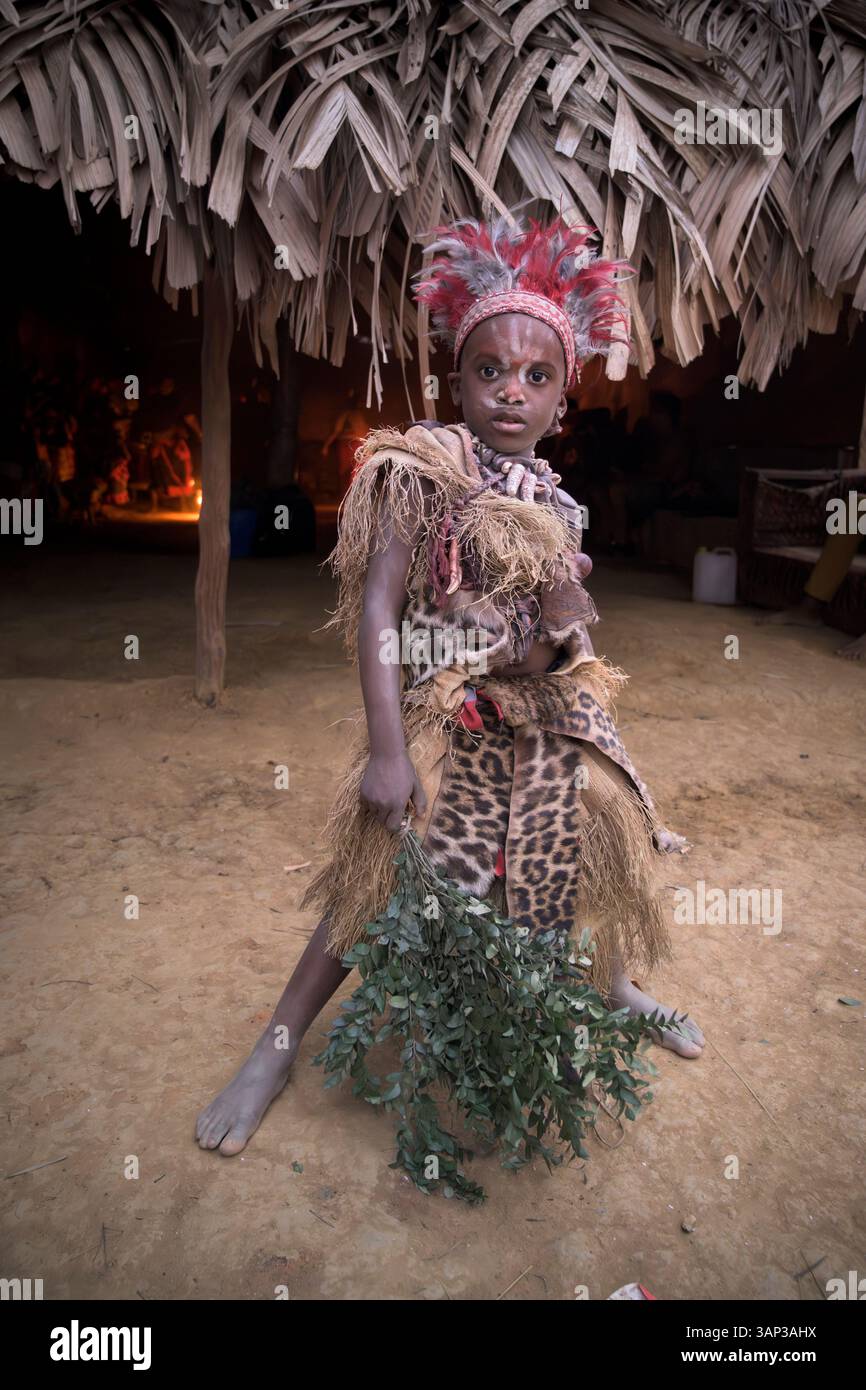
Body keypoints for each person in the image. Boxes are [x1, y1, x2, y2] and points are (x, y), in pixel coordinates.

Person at [196, 213, 704, 1158]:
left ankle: (615, 981)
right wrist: (389, 752)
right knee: (380, 865)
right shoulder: (416, 472)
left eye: (537, 376)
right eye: (490, 371)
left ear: (564, 397)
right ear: (456, 378)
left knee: (601, 818)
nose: (511, 392)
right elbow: (382, 617)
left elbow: (564, 628)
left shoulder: (553, 496)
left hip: (538, 706)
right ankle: (274, 1047)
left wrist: (562, 626)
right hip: (442, 703)